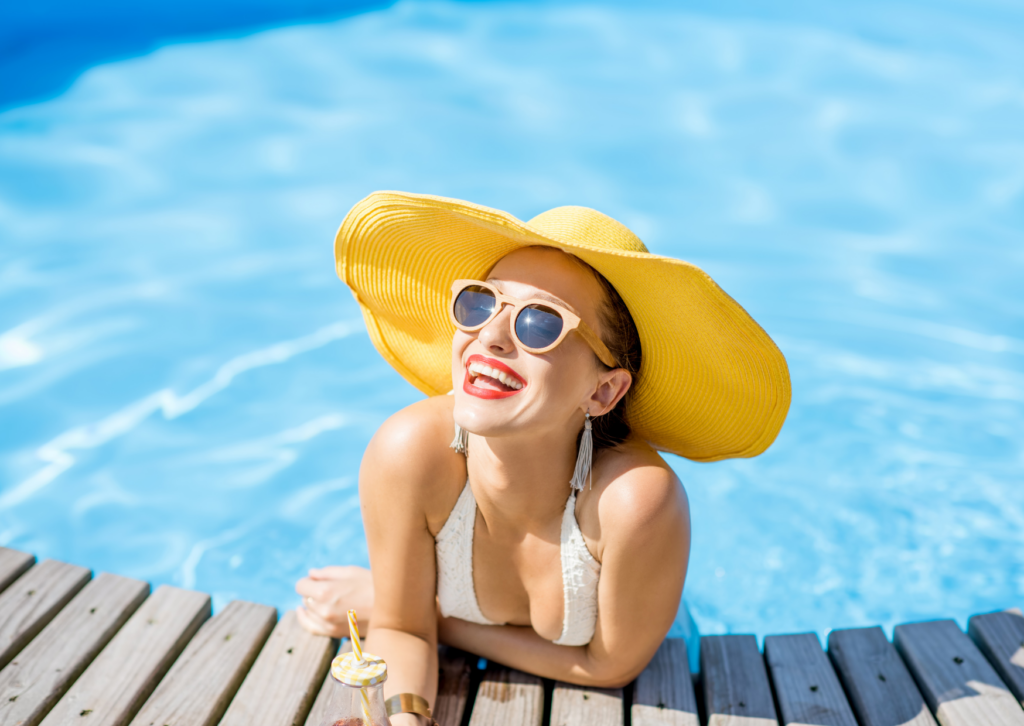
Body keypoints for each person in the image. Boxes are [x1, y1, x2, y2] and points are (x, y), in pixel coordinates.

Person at [295, 191, 790, 725]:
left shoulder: (634, 503)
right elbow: (404, 633)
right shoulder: (408, 453)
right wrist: (404, 719)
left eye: (539, 324)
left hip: (664, 687)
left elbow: (609, 667)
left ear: (603, 393)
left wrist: (419, 611)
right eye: (480, 303)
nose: (490, 335)